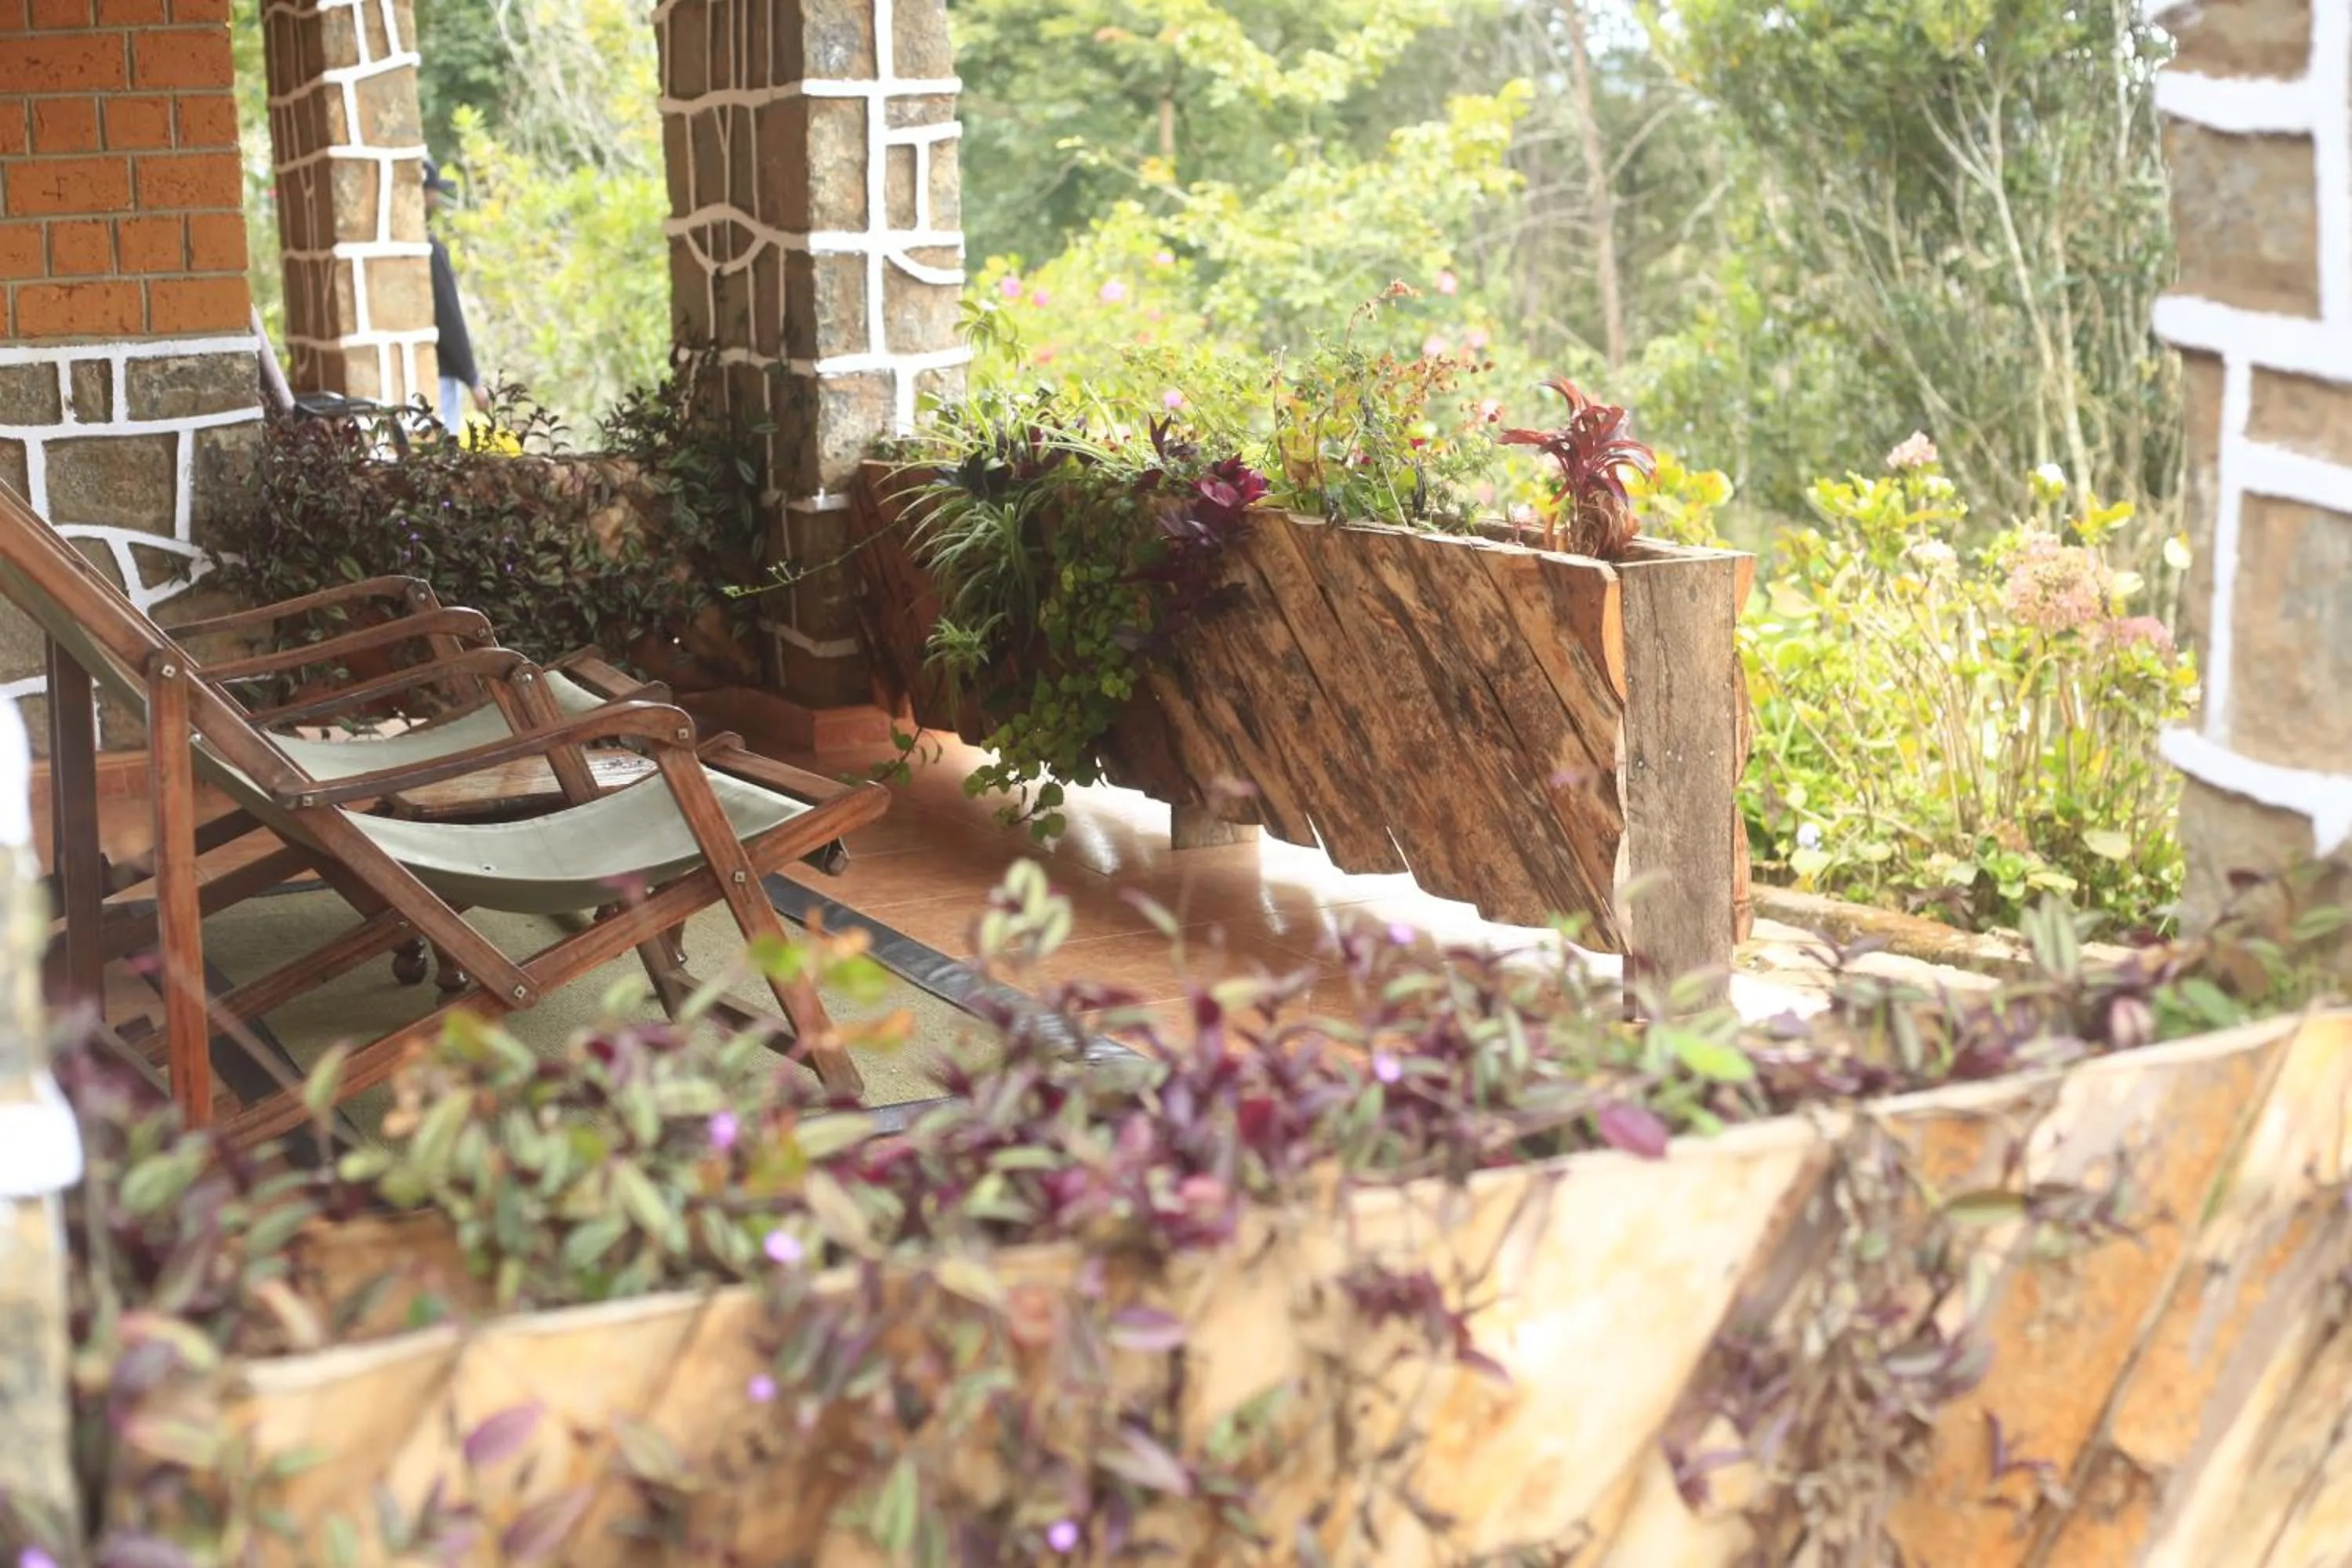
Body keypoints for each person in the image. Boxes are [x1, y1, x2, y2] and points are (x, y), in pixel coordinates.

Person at [423, 159, 486, 437]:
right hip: (440, 375)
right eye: (432, 192)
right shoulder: (430, 250)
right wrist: (473, 378)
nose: (436, 199)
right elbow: (449, 316)